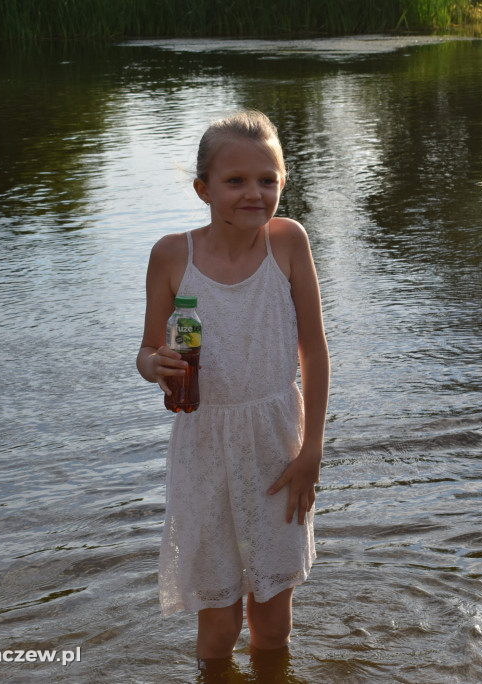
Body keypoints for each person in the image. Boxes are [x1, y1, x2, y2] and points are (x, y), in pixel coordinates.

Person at [136, 110, 329, 664]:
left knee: (272, 622)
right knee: (217, 625)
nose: (255, 193)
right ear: (203, 188)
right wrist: (159, 366)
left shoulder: (288, 242)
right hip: (203, 448)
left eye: (268, 180)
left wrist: (311, 451)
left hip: (277, 446)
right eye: (235, 181)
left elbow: (313, 350)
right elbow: (147, 351)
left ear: (283, 183)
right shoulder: (173, 255)